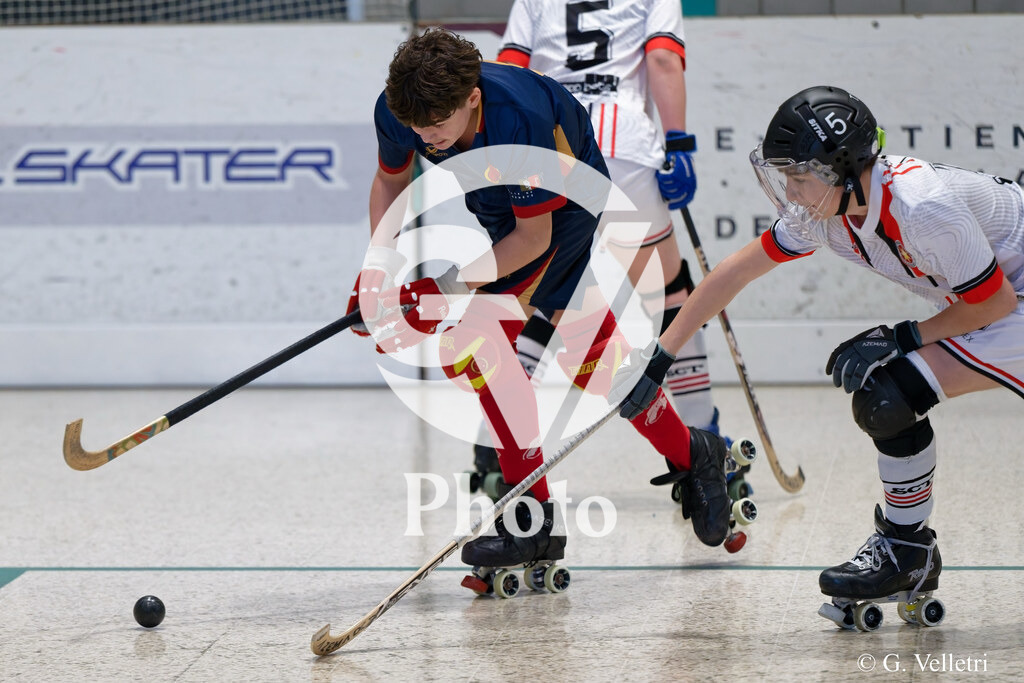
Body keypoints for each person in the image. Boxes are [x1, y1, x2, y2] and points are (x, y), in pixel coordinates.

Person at [616, 84, 1024, 626]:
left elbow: (993, 301)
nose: (790, 191)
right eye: (785, 176)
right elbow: (737, 270)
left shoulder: (922, 207)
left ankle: (906, 551)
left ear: (845, 169)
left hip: (1005, 300)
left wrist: (901, 336)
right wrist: (660, 357)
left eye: (800, 178)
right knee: (887, 400)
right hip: (1001, 301)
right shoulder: (828, 212)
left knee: (890, 392)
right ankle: (907, 553)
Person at [346, 29, 736, 584]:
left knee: (481, 341)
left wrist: (451, 287)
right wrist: (377, 274)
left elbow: (532, 240)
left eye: (436, 127)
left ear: (472, 98)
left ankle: (529, 520)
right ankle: (695, 453)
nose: (425, 139)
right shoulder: (404, 107)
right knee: (592, 354)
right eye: (415, 127)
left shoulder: (518, 116)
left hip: (567, 199)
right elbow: (390, 182)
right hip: (501, 203)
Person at [464, 0, 743, 503]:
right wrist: (678, 144)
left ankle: (491, 452)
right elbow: (661, 59)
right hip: (622, 143)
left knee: (545, 295)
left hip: (548, 144)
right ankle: (706, 441)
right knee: (670, 295)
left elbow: (507, 72)